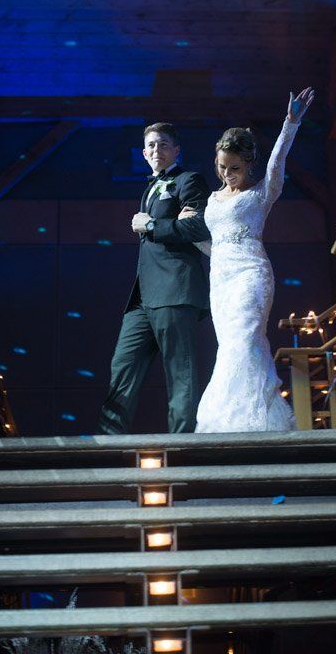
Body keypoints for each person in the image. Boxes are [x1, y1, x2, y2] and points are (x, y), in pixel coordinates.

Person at [179, 88, 314, 433]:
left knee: (245, 338)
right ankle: (235, 421)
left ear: (248, 164)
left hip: (251, 274)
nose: (227, 173)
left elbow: (278, 160)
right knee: (234, 346)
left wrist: (291, 123)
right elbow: (217, 247)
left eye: (235, 167)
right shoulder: (211, 200)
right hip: (220, 280)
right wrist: (190, 232)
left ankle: (254, 423)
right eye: (222, 167)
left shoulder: (262, 192)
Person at [98, 122, 211, 435]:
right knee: (122, 367)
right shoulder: (150, 186)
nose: (155, 150)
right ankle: (108, 445)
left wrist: (151, 227)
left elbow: (200, 227)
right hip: (143, 296)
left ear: (176, 149)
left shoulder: (188, 180)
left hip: (176, 289)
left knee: (180, 374)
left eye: (162, 144)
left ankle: (181, 446)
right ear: (143, 152)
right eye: (150, 145)